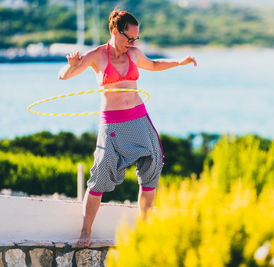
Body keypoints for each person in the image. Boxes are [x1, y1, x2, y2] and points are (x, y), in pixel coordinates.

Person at [58, 8, 197, 247]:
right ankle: (85, 230)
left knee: (153, 163)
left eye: (135, 39)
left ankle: (144, 229)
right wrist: (71, 66)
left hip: (139, 118)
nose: (131, 43)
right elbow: (63, 77)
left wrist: (179, 61)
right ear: (114, 31)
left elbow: (153, 64)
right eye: (128, 38)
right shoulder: (97, 55)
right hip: (112, 123)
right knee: (100, 174)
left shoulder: (134, 54)